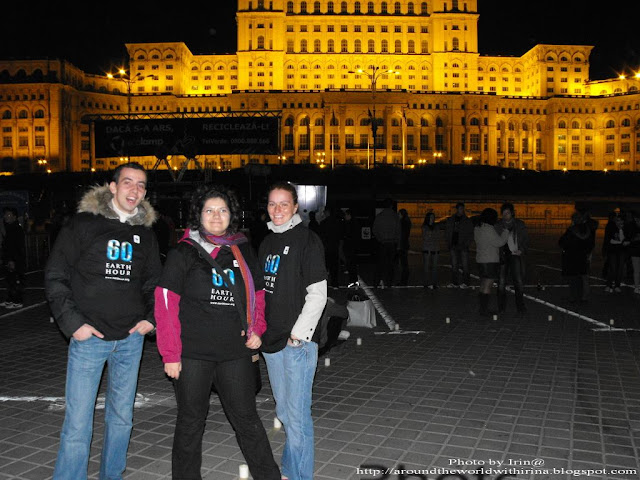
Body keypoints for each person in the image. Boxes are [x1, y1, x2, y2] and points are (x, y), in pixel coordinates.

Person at [154, 185, 281, 480]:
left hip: (234, 352)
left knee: (247, 420)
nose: (215, 216)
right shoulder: (184, 251)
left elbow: (258, 295)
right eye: (209, 210)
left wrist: (257, 329)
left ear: (231, 215)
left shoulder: (242, 249)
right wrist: (170, 354)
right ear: (198, 215)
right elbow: (165, 303)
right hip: (193, 355)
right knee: (190, 422)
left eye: (222, 210)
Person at [45, 162, 162, 480]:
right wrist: (73, 323)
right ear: (113, 187)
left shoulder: (145, 234)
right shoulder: (84, 224)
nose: (134, 190)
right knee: (78, 422)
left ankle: (112, 475)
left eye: (141, 185)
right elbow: (56, 274)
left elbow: (154, 282)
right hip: (90, 339)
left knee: (122, 418)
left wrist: (150, 319)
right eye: (128, 182)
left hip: (130, 340)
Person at [258, 181, 327, 480]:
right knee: (285, 412)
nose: (277, 210)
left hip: (297, 343)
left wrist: (298, 335)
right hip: (271, 342)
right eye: (272, 204)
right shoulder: (266, 243)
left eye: (284, 203)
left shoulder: (307, 240)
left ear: (295, 206)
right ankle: (290, 470)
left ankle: (300, 475)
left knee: (298, 417)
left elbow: (318, 293)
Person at [494, 203, 529, 313]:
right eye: (503, 213)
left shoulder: (520, 224)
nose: (505, 215)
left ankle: (520, 306)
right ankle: (501, 307)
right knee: (501, 282)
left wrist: (521, 250)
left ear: (512, 213)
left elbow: (526, 239)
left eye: (508, 213)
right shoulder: (498, 225)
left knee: (518, 281)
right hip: (502, 255)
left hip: (515, 255)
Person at [473, 208, 508, 316]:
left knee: (483, 283)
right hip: (490, 260)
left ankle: (482, 308)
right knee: (488, 285)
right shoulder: (488, 228)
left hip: (480, 259)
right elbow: (499, 242)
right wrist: (506, 232)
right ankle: (484, 310)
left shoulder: (477, 227)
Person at [559, 212, 593, 302]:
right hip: (583, 257)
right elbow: (590, 244)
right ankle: (584, 296)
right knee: (583, 277)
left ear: (573, 220)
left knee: (573, 278)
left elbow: (562, 242)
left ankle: (573, 297)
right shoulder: (587, 230)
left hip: (571, 257)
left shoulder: (571, 230)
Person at [444, 202, 474, 288]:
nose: (462, 210)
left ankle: (466, 283)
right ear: (457, 209)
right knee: (454, 265)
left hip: (463, 246)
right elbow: (447, 231)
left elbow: (471, 233)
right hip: (453, 245)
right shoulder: (451, 219)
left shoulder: (467, 220)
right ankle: (455, 283)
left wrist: (467, 244)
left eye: (462, 209)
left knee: (465, 266)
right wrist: (448, 242)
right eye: (460, 209)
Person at [372, 197, 400, 289]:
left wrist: (380, 239)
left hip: (382, 243)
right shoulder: (395, 216)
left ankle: (376, 282)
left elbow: (374, 230)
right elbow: (398, 231)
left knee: (380, 264)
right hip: (392, 243)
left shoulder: (380, 216)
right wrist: (396, 240)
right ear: (391, 205)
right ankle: (389, 283)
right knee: (390, 265)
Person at [1, 207, 26, 309]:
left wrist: (13, 260)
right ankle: (10, 299)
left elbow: (17, 247)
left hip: (15, 259)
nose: (6, 216)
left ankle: (18, 300)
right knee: (9, 280)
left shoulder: (17, 229)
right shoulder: (9, 227)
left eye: (8, 215)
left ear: (14, 217)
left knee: (16, 280)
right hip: (9, 258)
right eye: (5, 214)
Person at [602, 213, 629, 292]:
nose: (618, 222)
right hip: (612, 251)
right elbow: (610, 240)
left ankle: (617, 285)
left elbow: (623, 239)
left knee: (620, 269)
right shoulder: (611, 227)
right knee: (612, 268)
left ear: (623, 221)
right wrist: (620, 242)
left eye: (620, 220)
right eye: (617, 220)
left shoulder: (625, 228)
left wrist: (620, 229)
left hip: (622, 251)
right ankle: (609, 285)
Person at [319, 206, 343, 286]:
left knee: (325, 266)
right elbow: (340, 235)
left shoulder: (323, 223)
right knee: (334, 266)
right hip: (334, 246)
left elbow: (321, 236)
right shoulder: (336, 222)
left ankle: (324, 283)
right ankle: (335, 283)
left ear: (327, 212)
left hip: (326, 247)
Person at [421, 212, 441, 289]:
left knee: (435, 267)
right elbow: (425, 237)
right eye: (431, 217)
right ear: (428, 218)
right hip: (427, 249)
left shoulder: (436, 226)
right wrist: (432, 235)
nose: (432, 218)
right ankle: (426, 283)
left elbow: (438, 236)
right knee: (426, 267)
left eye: (433, 217)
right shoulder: (424, 227)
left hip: (435, 249)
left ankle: (434, 283)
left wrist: (431, 235)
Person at [340, 208, 359, 286]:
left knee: (350, 263)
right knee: (352, 264)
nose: (345, 216)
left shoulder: (348, 224)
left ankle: (352, 280)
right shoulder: (354, 223)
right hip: (353, 246)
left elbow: (345, 234)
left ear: (349, 215)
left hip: (349, 246)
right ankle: (354, 279)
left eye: (346, 215)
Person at [398, 208, 412, 286]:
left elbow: (401, 236)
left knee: (404, 264)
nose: (398, 215)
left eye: (399, 214)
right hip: (405, 245)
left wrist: (399, 246)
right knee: (404, 264)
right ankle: (404, 280)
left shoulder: (402, 223)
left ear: (402, 215)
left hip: (402, 245)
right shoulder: (407, 222)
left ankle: (403, 281)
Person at [628, 211, 640, 294]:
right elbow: (630, 239)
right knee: (636, 270)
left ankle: (637, 286)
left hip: (635, 250)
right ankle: (636, 287)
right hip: (635, 251)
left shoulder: (632, 226)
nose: (637, 221)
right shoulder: (632, 226)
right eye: (636, 219)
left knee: (637, 270)